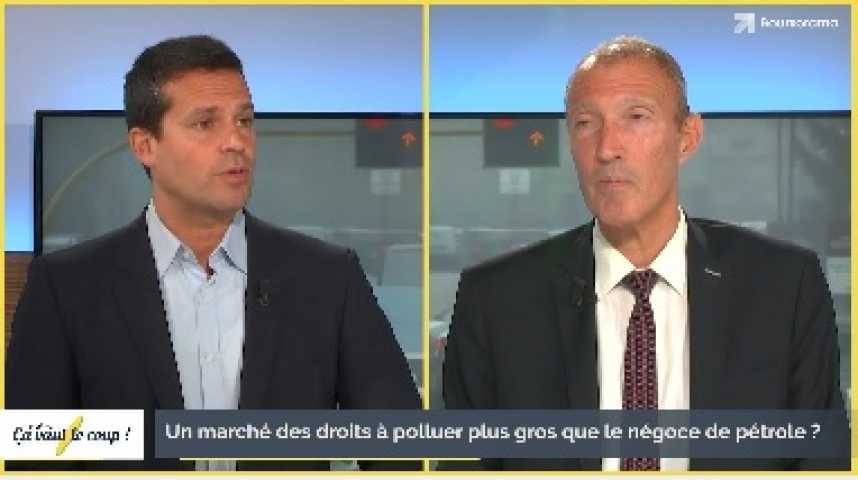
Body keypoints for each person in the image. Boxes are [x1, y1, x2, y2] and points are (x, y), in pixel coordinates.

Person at [6, 35, 421, 471]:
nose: (236, 141)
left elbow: (401, 445)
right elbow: (34, 459)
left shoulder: (328, 278)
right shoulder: (66, 288)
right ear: (145, 145)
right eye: (206, 123)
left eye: (244, 120)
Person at [442, 35, 848, 471]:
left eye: (636, 117)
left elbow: (820, 465)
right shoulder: (496, 301)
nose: (607, 148)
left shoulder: (783, 288)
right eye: (585, 123)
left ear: (687, 137)